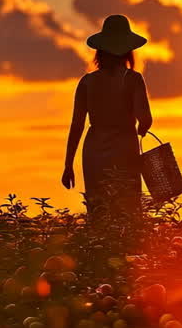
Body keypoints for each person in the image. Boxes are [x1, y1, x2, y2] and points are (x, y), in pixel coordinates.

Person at [62, 14, 153, 219]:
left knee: (98, 210)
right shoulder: (133, 79)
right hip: (124, 150)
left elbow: (77, 126)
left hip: (94, 151)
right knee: (127, 210)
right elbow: (145, 118)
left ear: (100, 51)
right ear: (128, 50)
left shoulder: (87, 82)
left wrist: (68, 165)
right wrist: (142, 129)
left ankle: (100, 250)